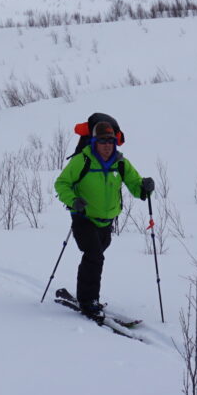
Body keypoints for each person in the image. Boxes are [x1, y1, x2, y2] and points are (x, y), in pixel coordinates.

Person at [53, 112, 154, 321]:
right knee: (94, 256)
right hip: (83, 217)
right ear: (94, 142)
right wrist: (73, 200)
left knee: (94, 257)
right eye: (102, 141)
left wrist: (145, 187)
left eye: (110, 141)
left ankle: (87, 296)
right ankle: (88, 300)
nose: (107, 145)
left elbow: (135, 185)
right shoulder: (83, 161)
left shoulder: (120, 163)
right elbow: (61, 183)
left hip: (106, 221)